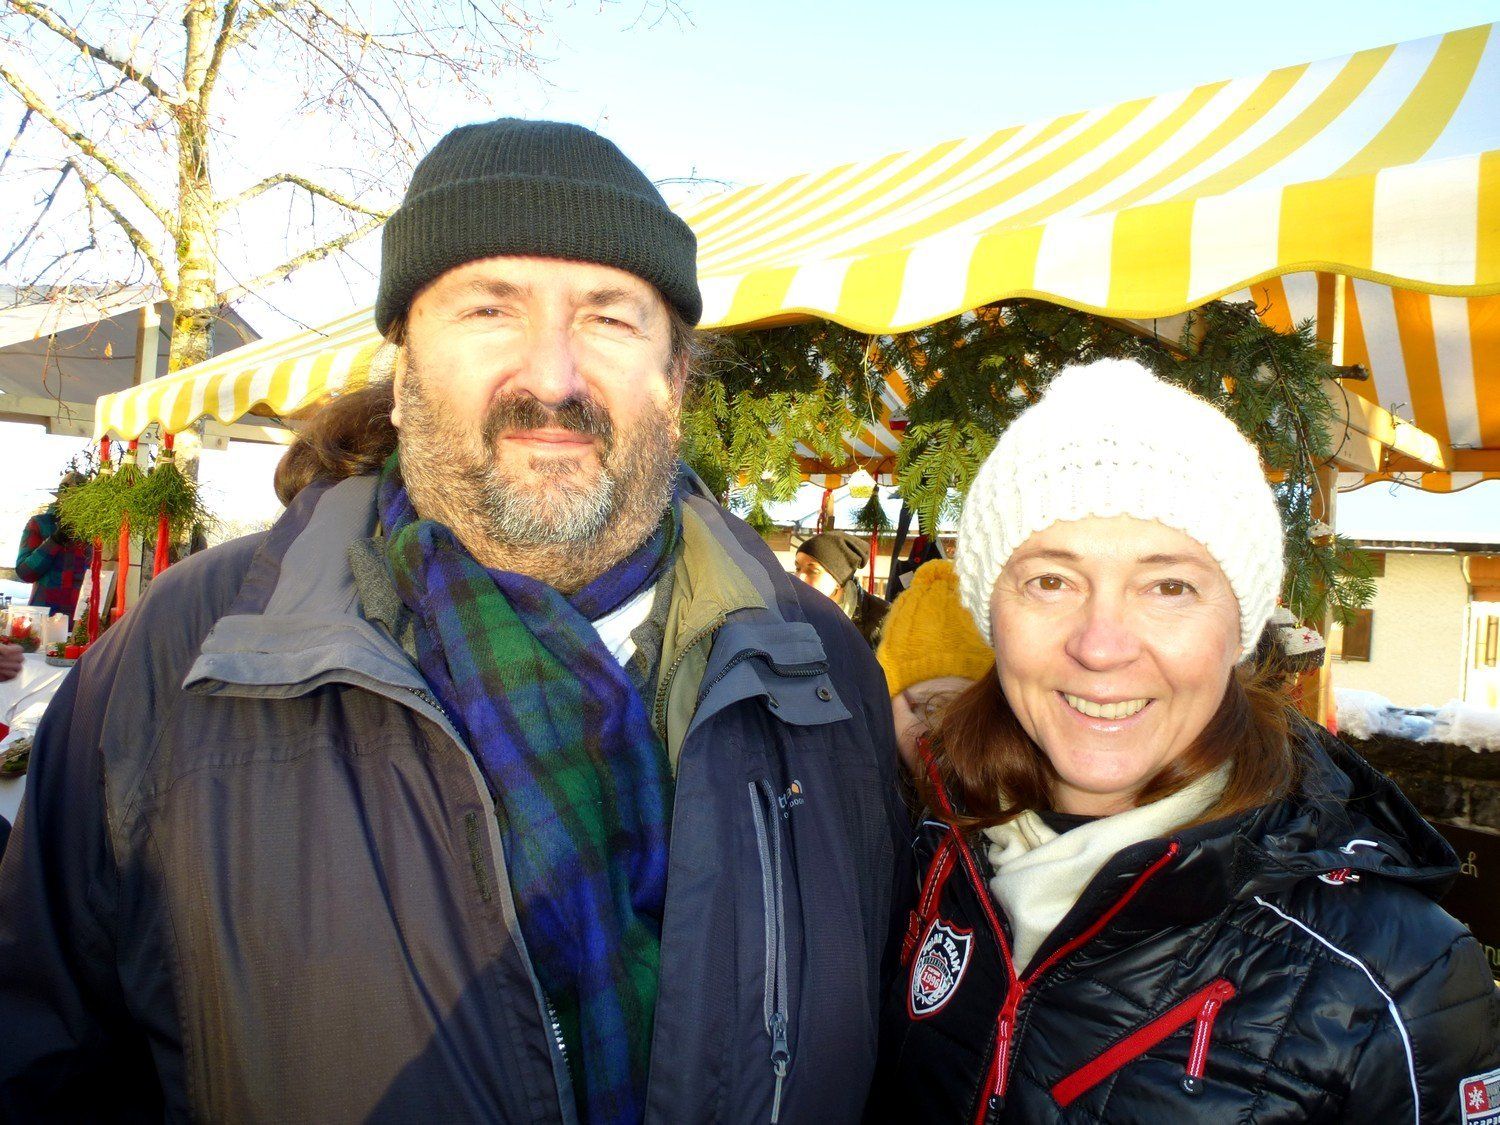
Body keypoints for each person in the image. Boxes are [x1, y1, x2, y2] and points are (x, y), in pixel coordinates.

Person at [0, 119, 909, 1123]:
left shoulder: (819, 669)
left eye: (610, 318)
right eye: (489, 310)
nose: (553, 379)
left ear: (677, 378)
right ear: (403, 371)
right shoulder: (186, 657)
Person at [873, 359, 1500, 1122]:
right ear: (990, 616)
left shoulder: (1394, 981)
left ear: (1240, 626)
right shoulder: (936, 849)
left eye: (1168, 586)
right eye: (1051, 581)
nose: (1101, 646)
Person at [12, 470, 89, 624]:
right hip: (43, 617)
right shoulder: (40, 524)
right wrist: (54, 540)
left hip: (80, 619)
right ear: (60, 498)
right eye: (71, 497)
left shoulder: (92, 529)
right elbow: (24, 572)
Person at [793, 530, 890, 647]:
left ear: (839, 581)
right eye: (798, 568)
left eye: (813, 571)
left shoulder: (885, 620)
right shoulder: (790, 611)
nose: (799, 578)